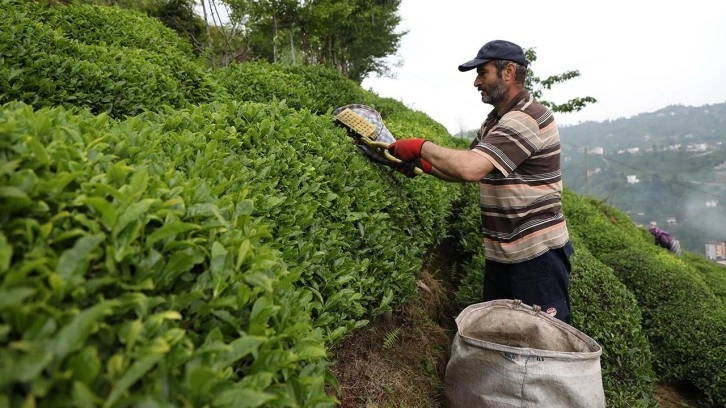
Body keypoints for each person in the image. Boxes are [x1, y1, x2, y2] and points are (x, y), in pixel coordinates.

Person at [387, 39, 575, 324]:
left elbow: (471, 168)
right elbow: (472, 167)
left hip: (537, 258)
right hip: (504, 255)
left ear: (508, 72)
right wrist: (423, 166)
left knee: (541, 347)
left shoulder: (526, 118)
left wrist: (421, 147)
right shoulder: (496, 120)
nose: (476, 82)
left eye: (483, 73)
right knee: (502, 340)